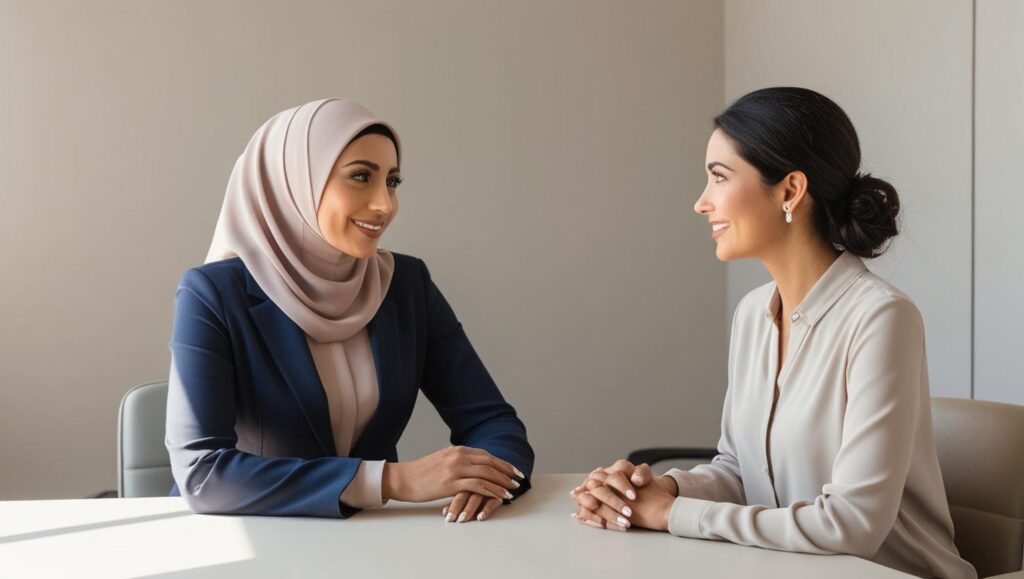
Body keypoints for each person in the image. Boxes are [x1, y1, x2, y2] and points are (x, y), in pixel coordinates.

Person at [570, 87, 976, 579]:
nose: (702, 203)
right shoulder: (751, 314)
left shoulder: (881, 318)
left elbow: (854, 526)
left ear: (789, 190)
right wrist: (652, 491)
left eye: (719, 178)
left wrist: (669, 515)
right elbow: (740, 471)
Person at [165, 99, 533, 522]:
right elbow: (203, 473)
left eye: (393, 181)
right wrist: (393, 481)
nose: (385, 204)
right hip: (245, 536)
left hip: (368, 544)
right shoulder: (212, 294)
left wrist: (488, 483)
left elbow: (493, 423)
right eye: (361, 177)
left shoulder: (407, 285)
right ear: (295, 182)